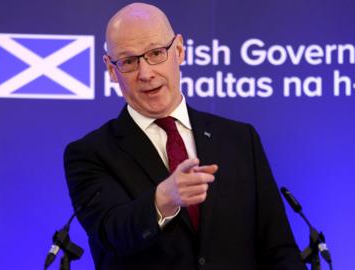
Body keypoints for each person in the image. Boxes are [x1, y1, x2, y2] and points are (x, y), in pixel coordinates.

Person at [64, 2, 306, 270]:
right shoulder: (89, 154)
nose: (146, 73)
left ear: (178, 50)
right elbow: (111, 235)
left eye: (156, 53)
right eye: (129, 61)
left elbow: (278, 248)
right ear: (111, 69)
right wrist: (161, 200)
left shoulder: (240, 139)